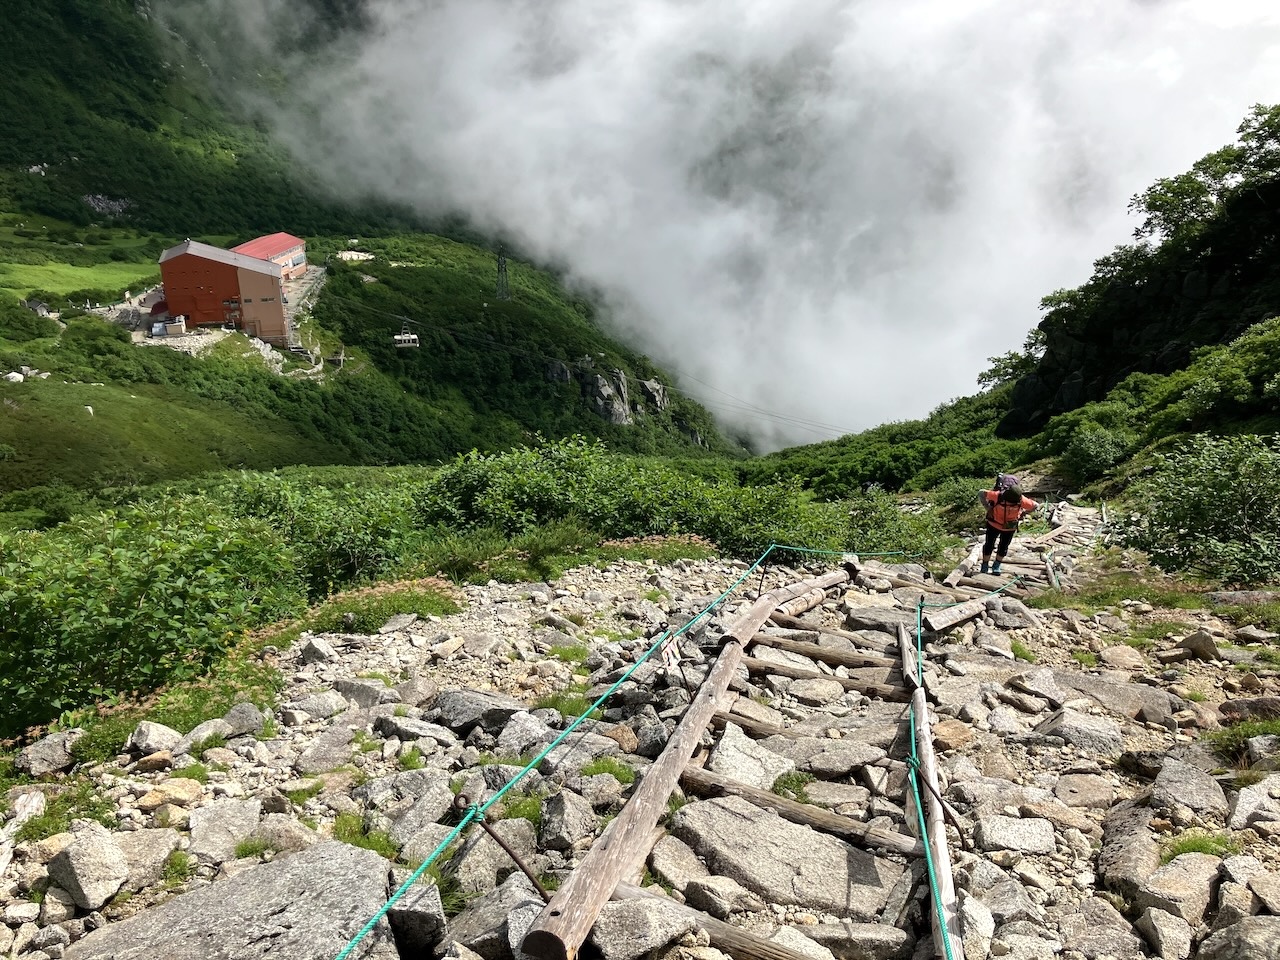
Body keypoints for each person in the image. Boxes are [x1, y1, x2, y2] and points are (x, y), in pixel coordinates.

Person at [979, 482, 1038, 575]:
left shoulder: (1020, 499)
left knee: (1002, 546)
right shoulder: (998, 495)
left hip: (1006, 527)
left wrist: (1023, 513)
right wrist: (988, 508)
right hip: (997, 524)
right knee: (990, 544)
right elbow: (981, 492)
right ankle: (986, 565)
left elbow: (1035, 505)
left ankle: (995, 565)